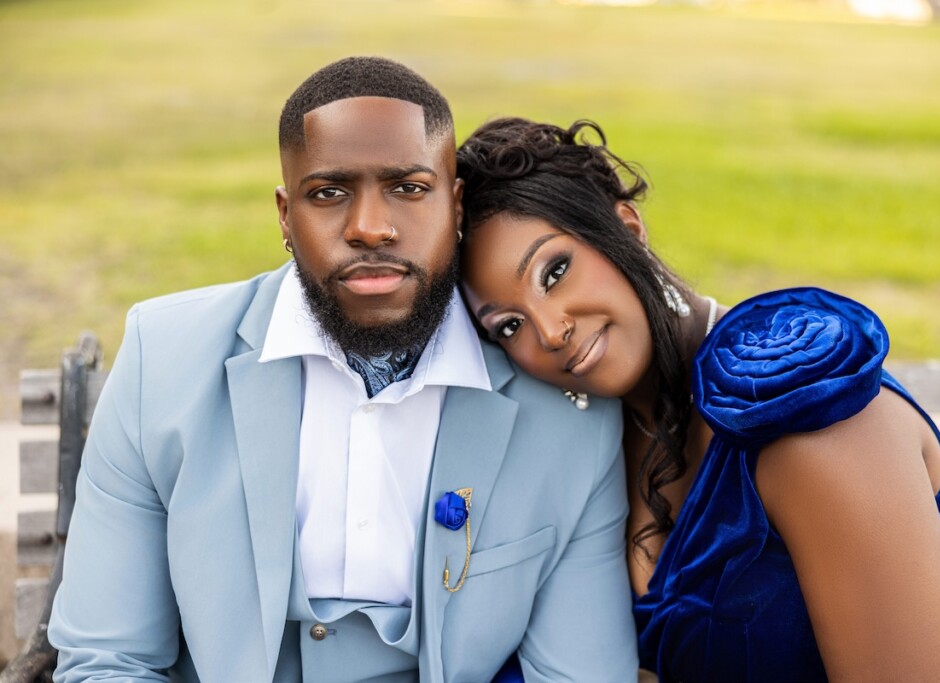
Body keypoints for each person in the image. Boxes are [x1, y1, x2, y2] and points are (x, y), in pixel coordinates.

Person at [47, 59, 640, 682]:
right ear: (285, 215)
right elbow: (108, 659)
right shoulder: (163, 361)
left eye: (408, 188)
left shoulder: (564, 412)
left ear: (456, 205)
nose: (370, 229)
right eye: (329, 193)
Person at [456, 116, 940, 681]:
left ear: (626, 230)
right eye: (509, 325)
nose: (550, 331)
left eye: (554, 271)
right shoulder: (595, 435)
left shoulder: (801, 401)